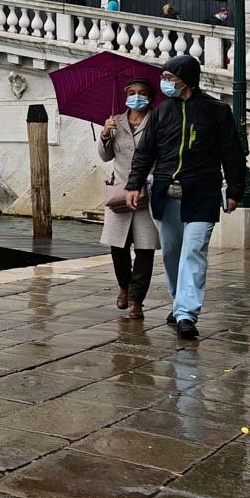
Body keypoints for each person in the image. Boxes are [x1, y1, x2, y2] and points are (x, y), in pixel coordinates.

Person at [125, 55, 249, 340]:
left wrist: (235, 189)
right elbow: (145, 153)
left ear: (187, 79)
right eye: (164, 77)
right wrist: (134, 185)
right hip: (165, 194)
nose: (164, 83)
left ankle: (186, 314)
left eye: (170, 77)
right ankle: (178, 300)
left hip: (202, 193)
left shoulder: (216, 111)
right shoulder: (160, 113)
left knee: (194, 253)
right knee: (171, 254)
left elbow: (232, 152)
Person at [99, 79, 159, 319]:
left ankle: (136, 299)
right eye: (132, 93)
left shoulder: (158, 120)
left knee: (145, 250)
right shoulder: (116, 121)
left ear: (150, 97)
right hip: (120, 192)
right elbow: (105, 156)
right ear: (125, 95)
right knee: (118, 247)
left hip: (148, 192)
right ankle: (124, 285)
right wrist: (105, 133)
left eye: (142, 93)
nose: (137, 97)